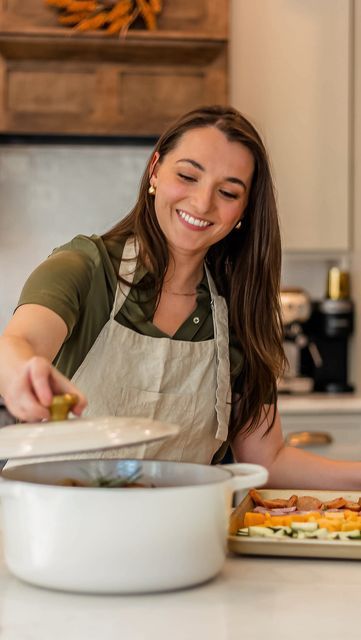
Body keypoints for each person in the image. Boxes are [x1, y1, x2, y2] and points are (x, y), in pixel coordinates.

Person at [0, 105, 360, 488]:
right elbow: (20, 342)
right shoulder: (86, 268)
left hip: (181, 538)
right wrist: (21, 372)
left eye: (227, 191)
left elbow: (268, 459)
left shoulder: (240, 310)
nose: (203, 203)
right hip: (56, 533)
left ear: (244, 209)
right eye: (187, 176)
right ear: (155, 170)